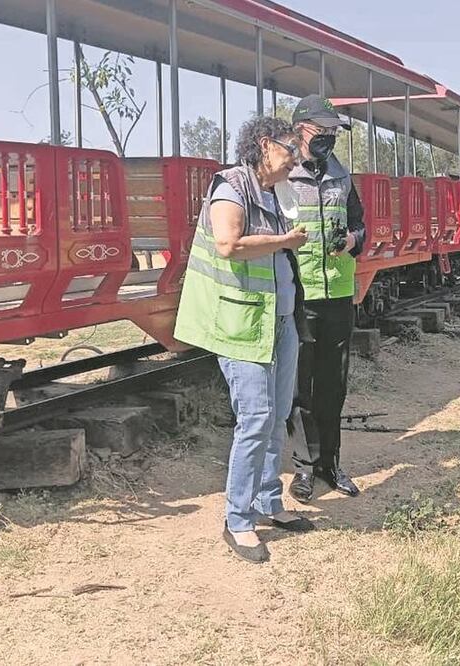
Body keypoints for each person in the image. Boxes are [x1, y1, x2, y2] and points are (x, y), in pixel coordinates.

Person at [173, 116, 314, 564]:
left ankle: (269, 502)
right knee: (255, 417)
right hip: (240, 323)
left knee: (278, 416)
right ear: (264, 144)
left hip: (280, 320)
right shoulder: (231, 186)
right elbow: (227, 245)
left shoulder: (277, 190)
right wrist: (283, 241)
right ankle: (237, 519)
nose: (296, 156)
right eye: (290, 148)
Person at [287, 95, 366, 504]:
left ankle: (330, 464)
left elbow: (361, 226)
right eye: (323, 131)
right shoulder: (284, 177)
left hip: (337, 294)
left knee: (333, 386)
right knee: (300, 388)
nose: (330, 139)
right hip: (299, 298)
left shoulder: (342, 176)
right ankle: (303, 467)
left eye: (334, 132)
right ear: (301, 129)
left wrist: (352, 240)